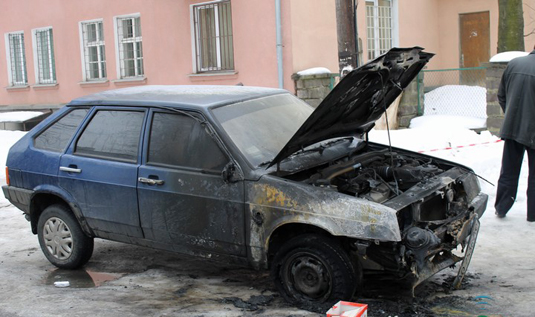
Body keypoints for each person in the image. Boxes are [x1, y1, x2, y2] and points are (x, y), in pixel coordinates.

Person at [495, 46, 535, 222]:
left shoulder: (514, 64)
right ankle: (533, 214)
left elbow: (501, 95)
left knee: (508, 170)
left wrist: (511, 115)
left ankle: (501, 208)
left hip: (512, 128)